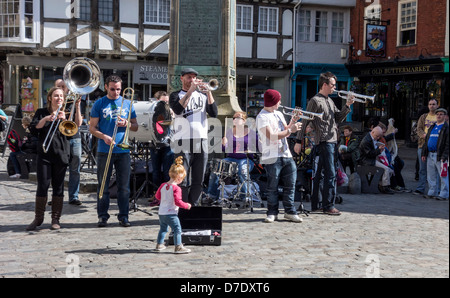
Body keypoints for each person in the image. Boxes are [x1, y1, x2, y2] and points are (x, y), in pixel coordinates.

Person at [294, 72, 354, 215]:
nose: (335, 88)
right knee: (330, 174)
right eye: (333, 85)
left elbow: (338, 118)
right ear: (325, 85)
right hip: (324, 141)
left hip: (332, 141)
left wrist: (347, 105)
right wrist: (298, 141)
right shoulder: (315, 101)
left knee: (320, 175)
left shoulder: (330, 101)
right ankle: (328, 206)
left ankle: (317, 204)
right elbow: (305, 121)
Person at [89, 75, 138, 227]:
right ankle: (102, 216)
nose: (116, 92)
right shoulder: (99, 103)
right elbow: (92, 128)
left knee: (124, 187)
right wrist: (103, 137)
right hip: (105, 150)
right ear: (106, 87)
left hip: (123, 151)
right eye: (113, 89)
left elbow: (136, 126)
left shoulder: (128, 104)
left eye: (118, 89)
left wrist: (127, 124)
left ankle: (124, 216)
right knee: (103, 185)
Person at [169, 68, 218, 205]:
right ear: (182, 78)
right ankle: (182, 206)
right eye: (189, 77)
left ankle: (193, 206)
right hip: (182, 140)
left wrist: (208, 91)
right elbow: (178, 110)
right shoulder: (175, 95)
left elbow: (214, 113)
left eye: (194, 77)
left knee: (199, 178)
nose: (192, 80)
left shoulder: (202, 96)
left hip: (201, 140)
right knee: (181, 177)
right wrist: (190, 91)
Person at [26, 87, 71, 231]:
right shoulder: (41, 112)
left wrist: (65, 119)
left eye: (61, 96)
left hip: (61, 155)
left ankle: (55, 219)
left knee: (58, 188)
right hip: (45, 155)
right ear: (50, 98)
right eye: (56, 96)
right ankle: (38, 219)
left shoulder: (67, 114)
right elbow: (33, 129)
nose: (59, 98)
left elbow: (72, 133)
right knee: (42, 186)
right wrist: (46, 119)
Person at [256, 89, 303, 223]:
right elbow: (271, 136)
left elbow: (286, 129)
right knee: (272, 187)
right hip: (272, 155)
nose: (280, 102)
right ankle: (272, 212)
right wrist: (290, 130)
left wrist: (293, 120)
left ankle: (290, 211)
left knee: (290, 185)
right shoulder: (261, 117)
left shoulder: (278, 113)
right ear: (273, 101)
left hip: (286, 153)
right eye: (278, 100)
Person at [207, 111, 259, 203]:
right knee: (215, 168)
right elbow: (224, 149)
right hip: (231, 159)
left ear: (244, 121)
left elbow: (258, 147)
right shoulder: (229, 132)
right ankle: (211, 195)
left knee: (242, 170)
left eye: (238, 117)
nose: (235, 119)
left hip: (245, 159)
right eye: (234, 118)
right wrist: (223, 144)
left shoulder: (251, 133)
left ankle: (245, 196)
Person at [154, 156, 192, 254]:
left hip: (161, 212)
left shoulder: (163, 185)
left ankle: (159, 244)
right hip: (171, 213)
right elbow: (178, 202)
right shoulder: (176, 188)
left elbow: (157, 197)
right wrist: (186, 205)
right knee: (177, 229)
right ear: (179, 178)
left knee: (163, 229)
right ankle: (178, 246)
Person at [54, 79, 83, 205]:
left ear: (68, 88)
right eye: (58, 86)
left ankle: (74, 196)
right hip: (59, 138)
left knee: (75, 168)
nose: (62, 88)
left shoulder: (73, 101)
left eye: (63, 86)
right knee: (58, 168)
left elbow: (79, 123)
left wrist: (77, 106)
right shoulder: (53, 103)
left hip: (74, 137)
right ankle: (56, 195)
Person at [421, 108, 449, 200]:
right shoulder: (432, 127)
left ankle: (444, 194)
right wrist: (424, 153)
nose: (439, 116)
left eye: (441, 114)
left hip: (440, 155)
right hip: (430, 154)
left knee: (443, 175)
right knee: (431, 175)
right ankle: (432, 192)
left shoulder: (446, 128)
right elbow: (427, 140)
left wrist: (444, 156)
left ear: (445, 116)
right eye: (437, 114)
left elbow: (447, 143)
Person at [149, 91, 174, 191]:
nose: (165, 105)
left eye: (167, 102)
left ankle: (166, 193)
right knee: (156, 171)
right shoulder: (152, 113)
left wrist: (173, 115)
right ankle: (157, 193)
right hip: (154, 144)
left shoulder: (171, 112)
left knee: (168, 171)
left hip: (168, 144)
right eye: (163, 102)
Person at [358, 126, 395, 194]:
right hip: (367, 160)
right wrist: (379, 150)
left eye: (379, 137)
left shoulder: (371, 137)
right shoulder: (366, 141)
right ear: (373, 132)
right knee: (386, 169)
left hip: (370, 158)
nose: (378, 138)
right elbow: (369, 154)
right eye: (377, 136)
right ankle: (385, 186)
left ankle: (382, 184)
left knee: (389, 167)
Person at [414, 98, 439, 195]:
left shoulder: (439, 117)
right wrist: (424, 135)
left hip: (435, 145)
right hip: (423, 144)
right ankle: (420, 188)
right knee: (422, 168)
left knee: (435, 168)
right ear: (428, 106)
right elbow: (419, 128)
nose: (432, 106)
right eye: (430, 104)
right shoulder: (423, 116)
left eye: (434, 104)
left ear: (437, 105)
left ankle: (435, 189)